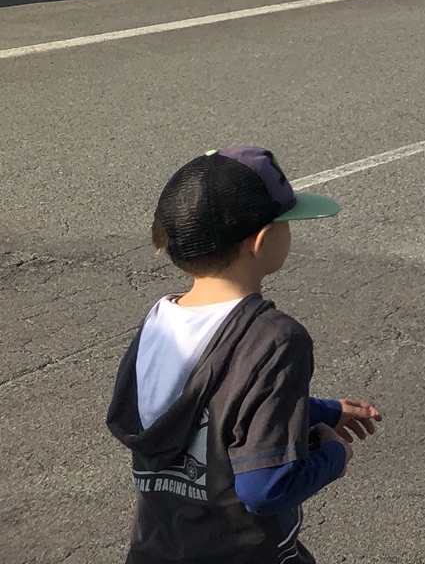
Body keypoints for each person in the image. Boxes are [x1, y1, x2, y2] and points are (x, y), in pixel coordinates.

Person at [109, 146, 381, 564]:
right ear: (262, 240)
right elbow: (264, 489)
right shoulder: (275, 340)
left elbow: (214, 413)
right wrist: (333, 456)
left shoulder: (160, 322)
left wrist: (323, 412)